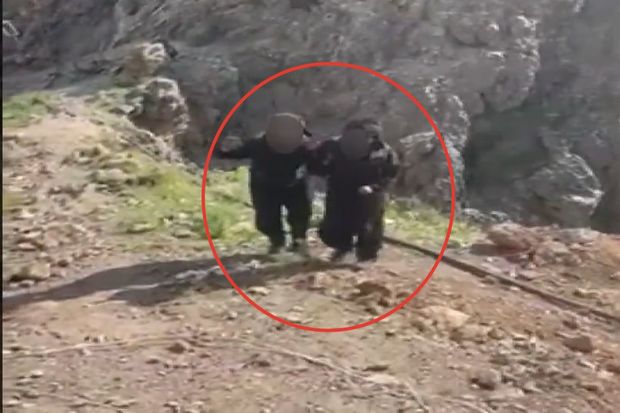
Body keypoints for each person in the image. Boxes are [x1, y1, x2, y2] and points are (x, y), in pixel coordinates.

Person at [217, 112, 315, 256]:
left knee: (300, 216)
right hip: (265, 187)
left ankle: (298, 242)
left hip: (294, 186)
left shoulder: (305, 147)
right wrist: (223, 149)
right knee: (266, 220)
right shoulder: (257, 145)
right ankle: (277, 242)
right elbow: (232, 153)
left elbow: (318, 163)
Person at [309, 118, 399, 262]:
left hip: (369, 193)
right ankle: (341, 248)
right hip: (340, 190)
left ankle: (367, 255)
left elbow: (390, 173)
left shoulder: (382, 151)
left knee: (369, 224)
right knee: (334, 224)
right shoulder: (333, 146)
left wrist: (373, 187)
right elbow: (316, 164)